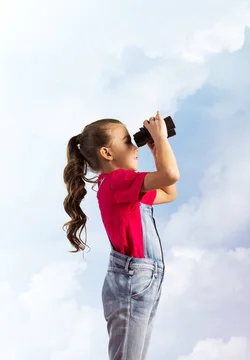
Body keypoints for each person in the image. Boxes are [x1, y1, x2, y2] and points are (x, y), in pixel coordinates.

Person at [62, 111, 180, 359]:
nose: (135, 145)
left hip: (142, 281)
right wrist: (161, 139)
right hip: (133, 282)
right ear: (107, 153)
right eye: (127, 141)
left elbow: (169, 192)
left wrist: (157, 152)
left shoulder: (123, 186)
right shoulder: (117, 181)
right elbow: (170, 175)